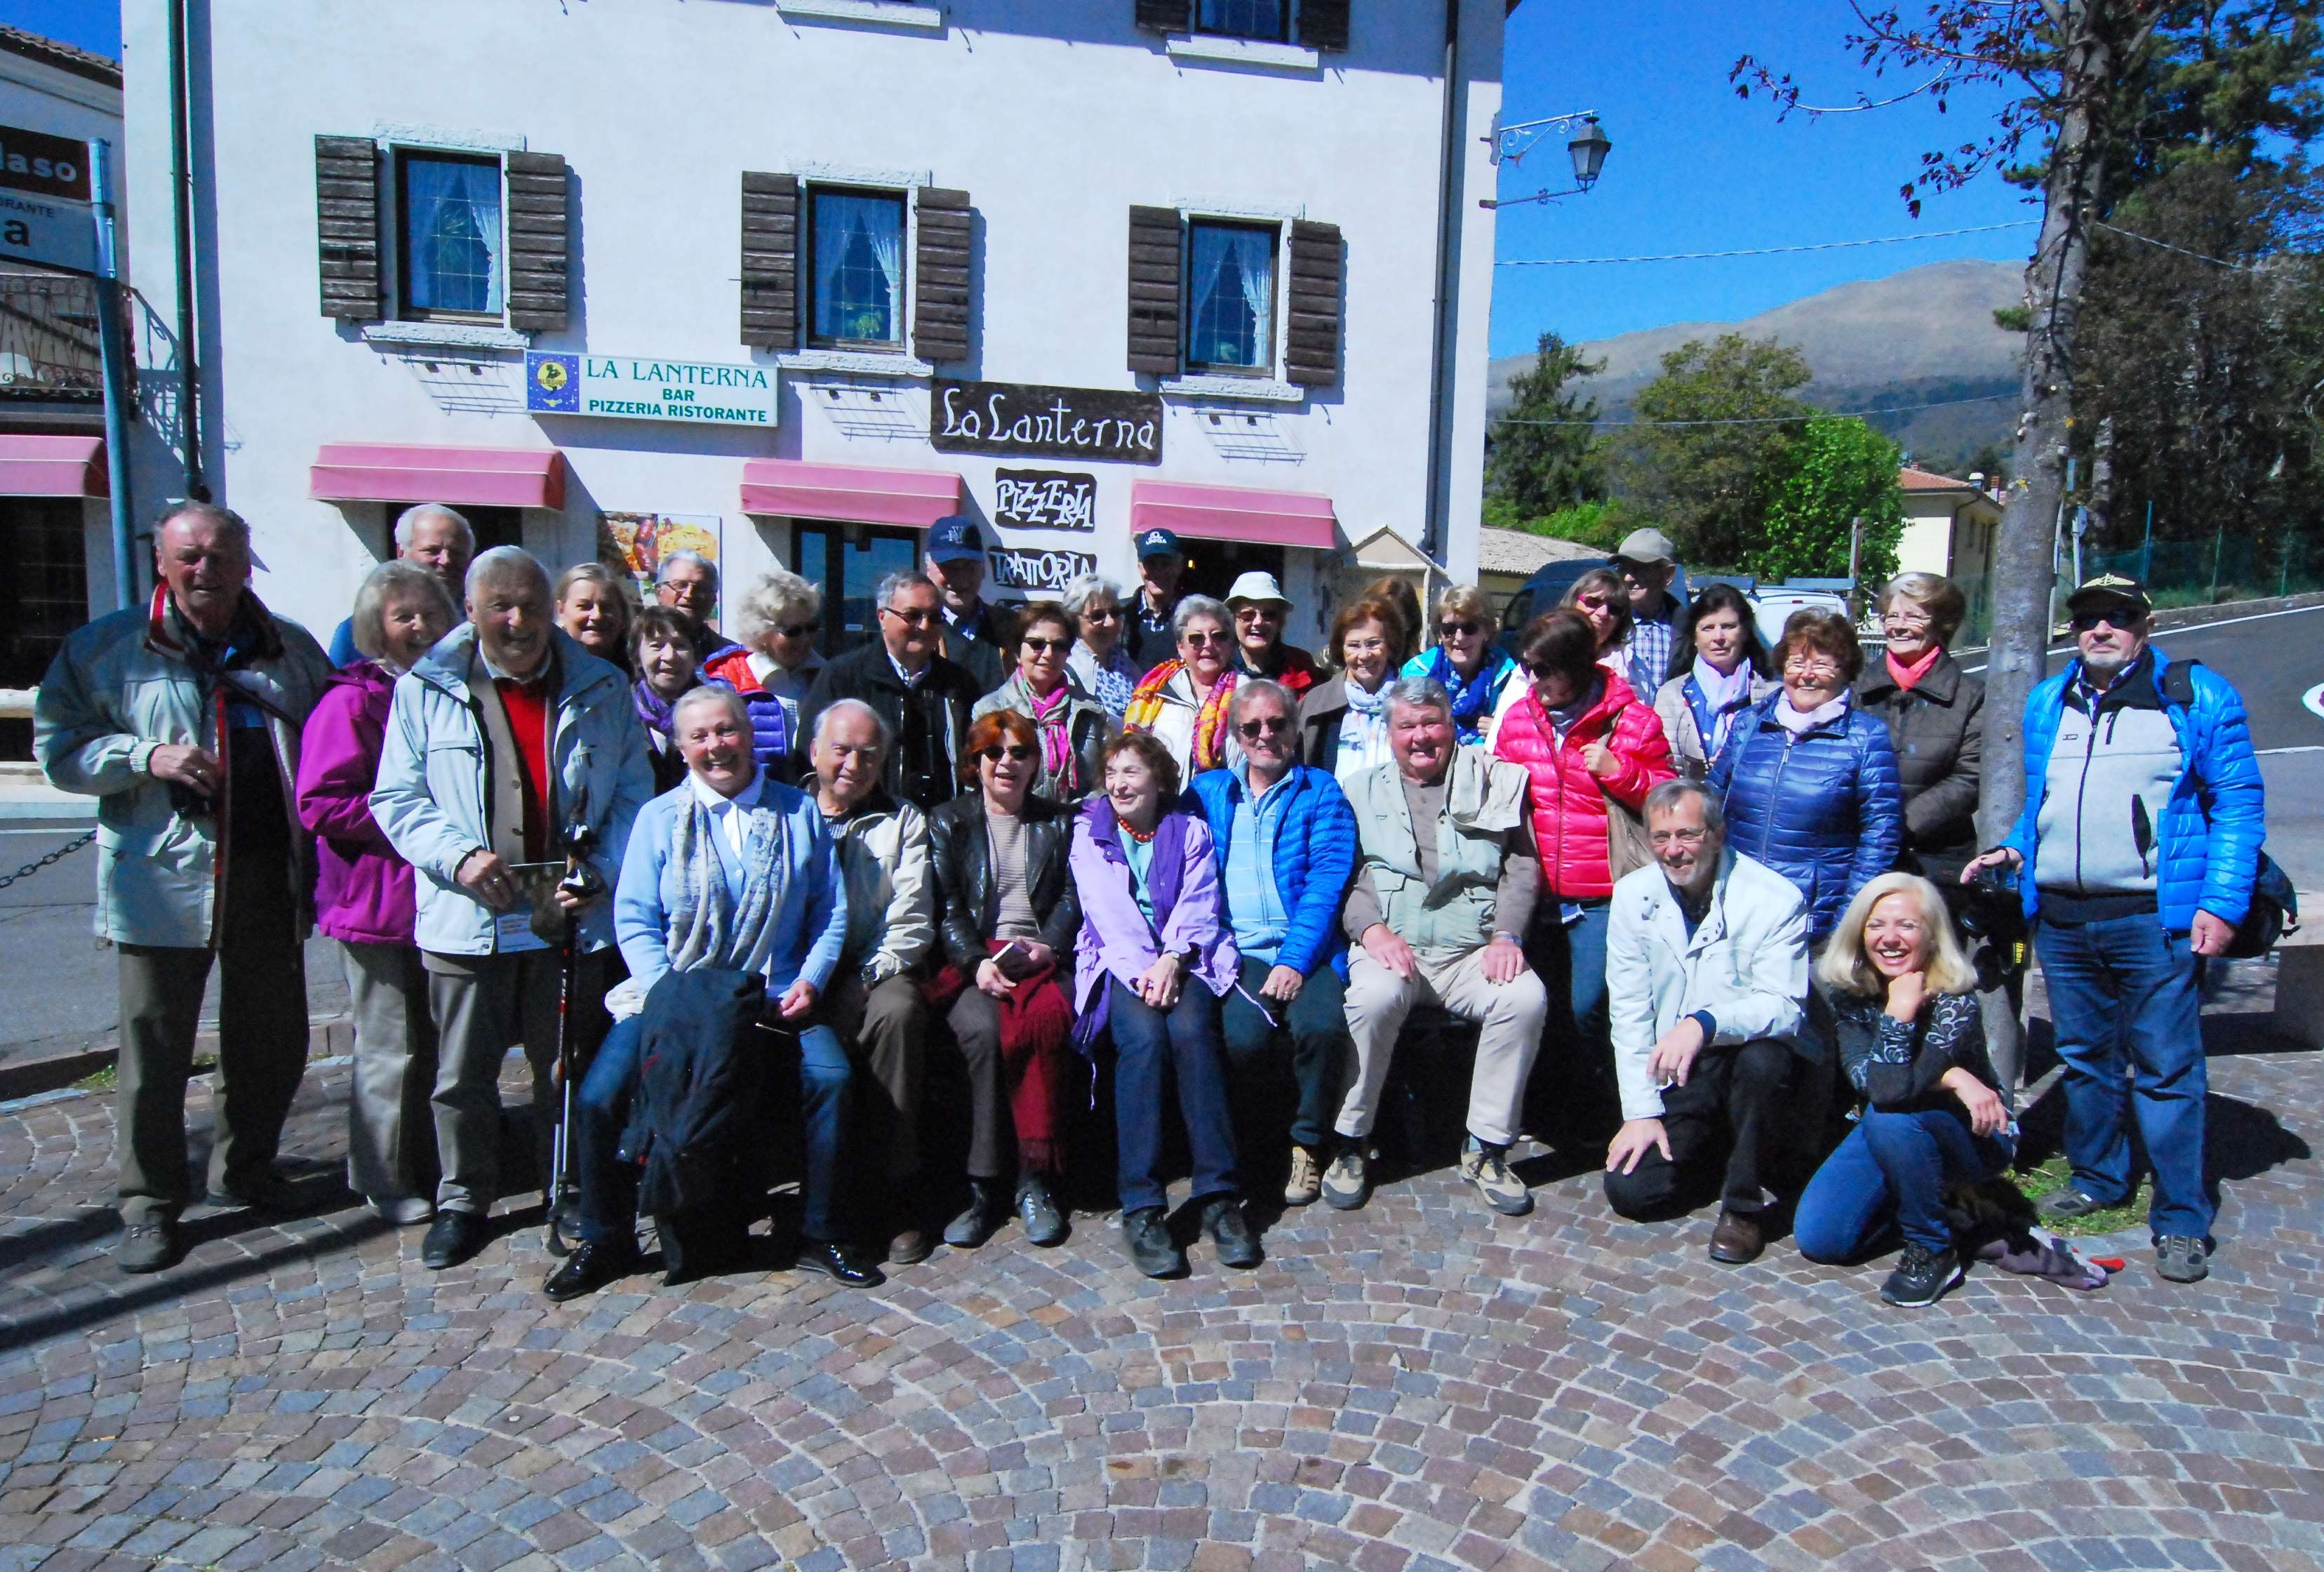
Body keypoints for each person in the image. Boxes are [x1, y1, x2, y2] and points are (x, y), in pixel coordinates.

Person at [36, 502, 334, 1274]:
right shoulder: (107, 649)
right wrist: (144, 757)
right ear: (164, 563)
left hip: (272, 873)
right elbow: (59, 748)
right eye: (190, 557)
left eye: (221, 557)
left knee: (268, 1042)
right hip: (164, 882)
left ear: (246, 563)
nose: (206, 571)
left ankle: (248, 1169)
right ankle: (149, 1202)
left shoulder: (289, 649)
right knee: (155, 1049)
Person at [1962, 573, 2264, 1286]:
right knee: (2085, 1057)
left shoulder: (2195, 696)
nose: (2102, 628)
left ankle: (2183, 1217)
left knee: (2166, 1068)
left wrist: (2218, 906)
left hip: (2151, 918)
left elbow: (2239, 806)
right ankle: (2100, 1176)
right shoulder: (2049, 700)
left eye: (2118, 616)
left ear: (2146, 624)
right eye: (2089, 616)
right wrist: (2015, 849)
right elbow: (2048, 803)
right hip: (2065, 917)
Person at [545, 686, 876, 1300]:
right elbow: (635, 917)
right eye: (698, 736)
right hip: (676, 997)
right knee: (597, 1096)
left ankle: (819, 1230)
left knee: (830, 1080)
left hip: (775, 994)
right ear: (679, 746)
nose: (715, 747)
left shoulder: (796, 811)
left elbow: (831, 910)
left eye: (726, 731)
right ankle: (606, 1236)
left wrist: (811, 979)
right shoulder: (659, 818)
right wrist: (669, 993)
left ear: (749, 735)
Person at [372, 546, 653, 1271]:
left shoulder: (601, 683)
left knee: (564, 1063)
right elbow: (395, 798)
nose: (518, 619)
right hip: (468, 912)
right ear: (470, 610)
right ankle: (464, 1198)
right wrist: (458, 856)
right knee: (463, 1073)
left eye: (530, 602)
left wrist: (600, 868)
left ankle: (563, 1182)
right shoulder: (425, 687)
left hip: (567, 913)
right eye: (500, 604)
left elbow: (632, 795)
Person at [1333, 678, 1548, 1216]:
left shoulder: (1493, 779)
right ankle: (1350, 1143)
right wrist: (1370, 930)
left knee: (1524, 999)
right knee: (1372, 1001)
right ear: (1389, 732)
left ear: (1453, 727)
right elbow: (1343, 873)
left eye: (1432, 723)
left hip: (1471, 949)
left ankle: (1487, 1147)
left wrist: (1507, 934)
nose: (1421, 736)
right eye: (1407, 725)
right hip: (1392, 946)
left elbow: (1521, 864)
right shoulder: (1357, 790)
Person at [295, 561, 459, 1227]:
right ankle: (384, 1176)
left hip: (440, 898)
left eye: (430, 612)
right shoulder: (353, 700)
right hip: (377, 900)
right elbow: (321, 801)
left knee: (436, 1042)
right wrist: (415, 823)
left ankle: (428, 1161)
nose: (420, 626)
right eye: (404, 615)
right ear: (376, 628)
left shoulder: (449, 691)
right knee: (391, 1047)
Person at [1072, 732, 1261, 1277]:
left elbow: (1202, 901)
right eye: (1111, 772)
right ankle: (1143, 1205)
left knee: (1193, 1034)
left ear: (1159, 780)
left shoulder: (1189, 829)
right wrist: (1143, 971)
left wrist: (1173, 960)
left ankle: (1219, 1196)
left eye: (1131, 772)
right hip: (1122, 963)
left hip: (1187, 959)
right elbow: (1108, 913)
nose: (1119, 783)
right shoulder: (1091, 831)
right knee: (1144, 1041)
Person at [1601, 781, 1809, 1265]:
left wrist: (1706, 1023)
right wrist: (1641, 1113)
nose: (1673, 851)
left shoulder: (1775, 898)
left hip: (1746, 1056)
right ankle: (1720, 1150)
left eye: (1687, 835)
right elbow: (1629, 1011)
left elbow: (1786, 1006)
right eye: (1660, 837)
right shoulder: (1633, 895)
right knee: (1634, 1192)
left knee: (1763, 1059)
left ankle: (1743, 1208)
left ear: (1717, 835)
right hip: (1678, 1068)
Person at [1490, 610, 1676, 1145]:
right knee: (1538, 1009)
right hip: (1537, 893)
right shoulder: (1520, 719)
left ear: (1576, 667)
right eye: (1528, 667)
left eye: (1545, 669)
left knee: (1590, 1007)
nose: (1534, 680)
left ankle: (1603, 1111)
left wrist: (1621, 773)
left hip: (1602, 894)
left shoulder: (1634, 721)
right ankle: (1545, 1113)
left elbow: (1666, 804)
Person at [1794, 872, 2012, 1307]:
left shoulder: (1955, 997)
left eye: (1906, 926)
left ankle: (1933, 1247)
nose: (1889, 939)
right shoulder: (1851, 995)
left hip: (1974, 1135)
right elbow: (1871, 1081)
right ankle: (1938, 1206)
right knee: (1823, 1239)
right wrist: (1954, 1076)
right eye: (1876, 926)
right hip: (1893, 1129)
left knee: (1890, 1114)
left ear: (1932, 936)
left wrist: (1900, 1011)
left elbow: (1888, 1092)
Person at [1188, 681, 1359, 1208]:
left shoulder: (1320, 791)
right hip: (1237, 954)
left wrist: (1295, 960)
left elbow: (1327, 881)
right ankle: (1258, 1145)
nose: (1266, 735)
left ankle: (1308, 1141)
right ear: (1236, 736)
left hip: (1304, 948)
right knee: (1242, 1042)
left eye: (1277, 724)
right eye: (1252, 727)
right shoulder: (1209, 791)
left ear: (1294, 727)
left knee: (1323, 1029)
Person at [927, 710, 1083, 1249]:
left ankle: (1034, 1181)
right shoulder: (950, 821)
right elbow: (947, 908)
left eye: (1020, 753)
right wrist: (976, 963)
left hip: (1041, 958)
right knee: (983, 1033)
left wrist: (1050, 946)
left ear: (1037, 762)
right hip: (976, 959)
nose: (1007, 763)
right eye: (995, 753)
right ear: (976, 762)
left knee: (1047, 1022)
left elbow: (1071, 895)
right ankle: (982, 1184)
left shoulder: (1059, 821)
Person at [807, 699, 938, 1266]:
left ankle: (895, 1186)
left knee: (898, 1014)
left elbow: (911, 920)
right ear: (815, 751)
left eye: (869, 753)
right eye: (842, 749)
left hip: (875, 963)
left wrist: (861, 979)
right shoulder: (788, 811)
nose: (854, 763)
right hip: (797, 969)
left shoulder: (905, 820)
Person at [1708, 610, 1902, 945]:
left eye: (1823, 665)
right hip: (1736, 902)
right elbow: (1711, 802)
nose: (1807, 675)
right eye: (1797, 663)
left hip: (1811, 915)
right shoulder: (1749, 724)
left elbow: (1881, 836)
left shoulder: (1866, 737)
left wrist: (1849, 918)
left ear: (1845, 672)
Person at [796, 571, 980, 813]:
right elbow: (807, 762)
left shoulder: (959, 684)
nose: (924, 626)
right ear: (882, 617)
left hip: (942, 829)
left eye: (934, 617)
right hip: (865, 829)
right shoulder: (843, 676)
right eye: (912, 615)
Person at [1856, 573, 1984, 886]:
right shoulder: (1854, 690)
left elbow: (1971, 776)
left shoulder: (1972, 695)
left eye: (1913, 616)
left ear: (1942, 623)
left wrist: (1897, 823)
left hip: (1936, 859)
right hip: (1860, 854)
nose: (1898, 626)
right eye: (1891, 616)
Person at [971, 601, 1113, 801]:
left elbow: (1109, 778)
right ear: (1017, 653)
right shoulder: (990, 710)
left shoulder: (1091, 710)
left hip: (1079, 824)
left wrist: (1082, 814)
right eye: (1037, 644)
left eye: (1059, 646)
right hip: (1018, 825)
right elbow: (977, 784)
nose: (1048, 654)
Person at [700, 568, 827, 788]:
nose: (805, 639)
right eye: (793, 631)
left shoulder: (828, 675)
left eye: (811, 628)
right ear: (761, 633)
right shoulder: (726, 680)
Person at [1652, 582, 1775, 781]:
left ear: (1744, 633)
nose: (1718, 637)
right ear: (1694, 637)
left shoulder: (1771, 695)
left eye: (1728, 627)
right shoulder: (1671, 695)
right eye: (1708, 628)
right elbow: (1663, 767)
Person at [327, 503, 474, 666]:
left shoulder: (481, 624)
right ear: (401, 552)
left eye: (457, 553)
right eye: (432, 551)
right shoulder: (355, 631)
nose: (446, 561)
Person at [1123, 595, 1243, 782]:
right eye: (1196, 638)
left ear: (1231, 644)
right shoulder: (1158, 693)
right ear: (1180, 647)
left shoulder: (1249, 695)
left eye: (1219, 636)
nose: (1208, 645)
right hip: (1167, 808)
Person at [1298, 595, 1408, 786]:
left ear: (1390, 645)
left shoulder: (1412, 700)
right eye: (1354, 646)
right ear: (1341, 649)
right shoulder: (1316, 704)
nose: (1364, 655)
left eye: (1374, 643)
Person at [1401, 584, 1518, 747]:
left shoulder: (1509, 677)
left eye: (1469, 628)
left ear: (1486, 631)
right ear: (1439, 633)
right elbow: (1403, 730)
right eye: (1448, 629)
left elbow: (1524, 734)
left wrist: (1502, 731)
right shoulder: (1415, 674)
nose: (1459, 637)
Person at [925, 516, 1010, 693]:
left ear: (984, 569)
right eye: (949, 567)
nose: (960, 579)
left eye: (969, 567)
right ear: (928, 568)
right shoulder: (918, 631)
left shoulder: (1011, 627)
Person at [631, 606, 702, 796]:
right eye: (656, 646)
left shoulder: (715, 712)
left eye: (680, 645)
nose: (670, 656)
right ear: (637, 656)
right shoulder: (620, 713)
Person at [1611, 527, 1684, 700]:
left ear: (1667, 575)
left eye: (1638, 569)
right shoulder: (1607, 626)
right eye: (1623, 569)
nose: (1628, 578)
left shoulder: (1690, 630)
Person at [1223, 571, 1322, 697]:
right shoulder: (1219, 665)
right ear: (1232, 621)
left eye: (1269, 615)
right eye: (1247, 615)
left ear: (1279, 622)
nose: (1258, 622)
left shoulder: (1302, 664)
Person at [1063, 573, 1140, 720]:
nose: (1110, 622)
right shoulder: (1067, 669)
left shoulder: (1128, 666)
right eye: (1097, 616)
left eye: (1115, 612)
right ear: (1074, 620)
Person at [657, 549, 742, 666]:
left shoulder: (732, 659)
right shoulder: (631, 647)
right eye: (680, 585)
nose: (689, 595)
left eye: (701, 588)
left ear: (713, 599)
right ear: (659, 592)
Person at [554, 562, 634, 672]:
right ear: (561, 610)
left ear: (622, 613)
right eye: (584, 606)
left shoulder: (639, 671)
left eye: (607, 607)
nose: (597, 616)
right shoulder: (543, 669)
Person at [1130, 527, 1189, 670]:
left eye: (1166, 564)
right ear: (1139, 567)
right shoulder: (1120, 616)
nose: (1158, 572)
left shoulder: (1191, 618)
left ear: (1179, 566)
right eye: (1151, 564)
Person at [1564, 568, 1634, 673]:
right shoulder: (1543, 653)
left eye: (1614, 608)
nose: (1603, 613)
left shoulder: (1629, 664)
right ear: (1573, 602)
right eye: (1593, 602)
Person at [1361, 575, 1428, 668]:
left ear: (1409, 623)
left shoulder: (1422, 672)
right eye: (1378, 616)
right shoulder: (1347, 673)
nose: (1383, 625)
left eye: (1393, 618)